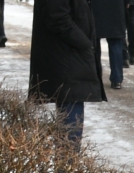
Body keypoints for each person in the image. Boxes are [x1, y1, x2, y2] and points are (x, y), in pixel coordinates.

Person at [30, 0, 106, 146]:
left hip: (69, 58)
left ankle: (68, 158)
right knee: (70, 124)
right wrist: (84, 43)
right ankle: (68, 159)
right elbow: (57, 17)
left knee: (71, 114)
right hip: (66, 58)